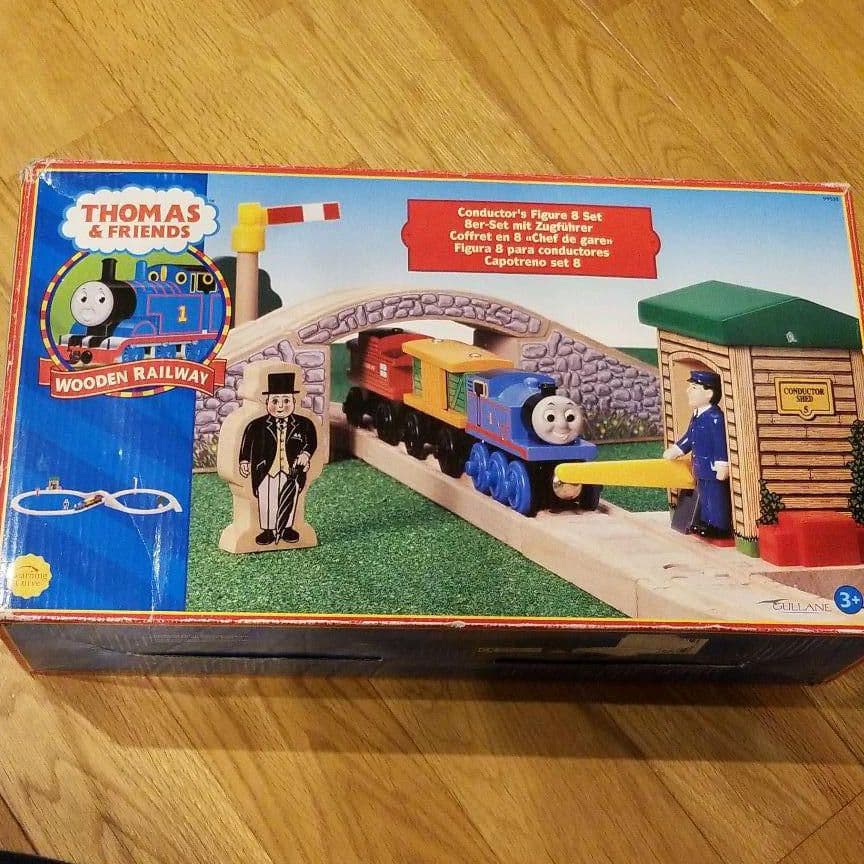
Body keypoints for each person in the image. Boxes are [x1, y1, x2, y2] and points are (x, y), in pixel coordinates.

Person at [238, 372, 317, 544]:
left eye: (286, 401)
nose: (280, 406)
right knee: (267, 499)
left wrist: (305, 454)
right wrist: (244, 461)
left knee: (290, 498)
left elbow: (311, 441)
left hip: (292, 471)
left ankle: (286, 528)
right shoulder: (256, 425)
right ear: (267, 402)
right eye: (275, 401)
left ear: (293, 401)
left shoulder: (304, 424)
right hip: (266, 470)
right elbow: (247, 442)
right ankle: (268, 531)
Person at [663, 370, 731, 538]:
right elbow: (689, 436)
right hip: (700, 466)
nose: (688, 391)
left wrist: (723, 464)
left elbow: (720, 442)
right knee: (705, 496)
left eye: (694, 388)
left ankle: (719, 526)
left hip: (712, 467)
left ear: (709, 393)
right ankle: (707, 522)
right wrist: (676, 450)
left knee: (715, 497)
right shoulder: (697, 415)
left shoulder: (715, 417)